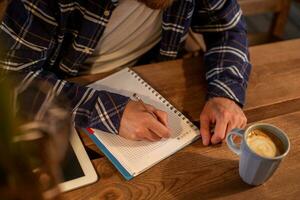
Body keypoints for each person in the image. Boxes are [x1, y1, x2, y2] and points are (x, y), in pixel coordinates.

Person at [0, 0, 251, 146]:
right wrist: (111, 111)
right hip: (62, 107)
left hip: (155, 87)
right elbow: (10, 80)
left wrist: (224, 93)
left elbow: (227, 28)